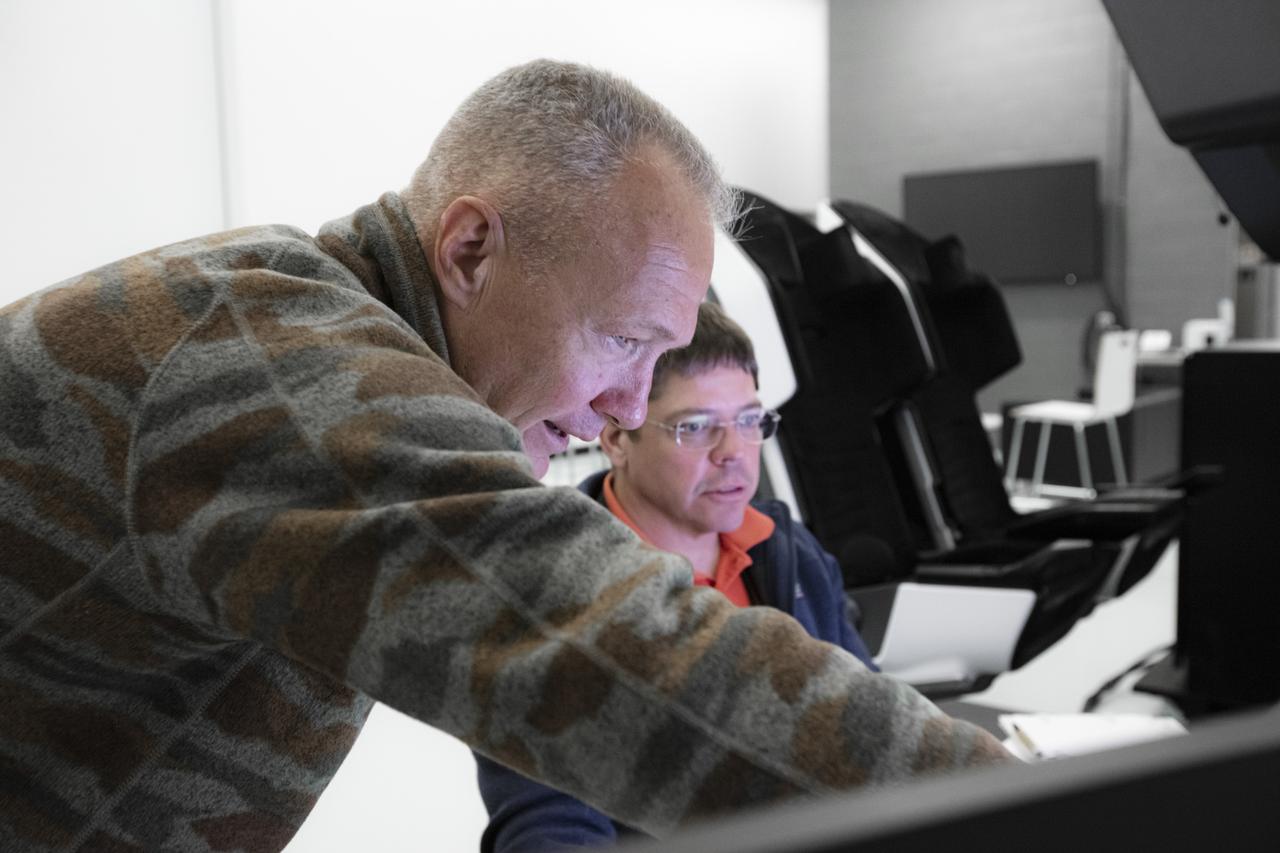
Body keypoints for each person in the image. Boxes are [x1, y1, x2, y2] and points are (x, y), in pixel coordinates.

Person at [0, 59, 1009, 852]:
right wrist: (1054, 815)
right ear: (470, 249)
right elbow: (619, 657)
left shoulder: (298, 322)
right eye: (622, 340)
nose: (625, 404)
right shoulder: (285, 365)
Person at [476, 301, 884, 851]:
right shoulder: (550, 590)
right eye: (696, 428)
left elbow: (870, 733)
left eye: (749, 421)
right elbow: (547, 822)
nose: (734, 454)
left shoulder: (789, 553)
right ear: (617, 437)